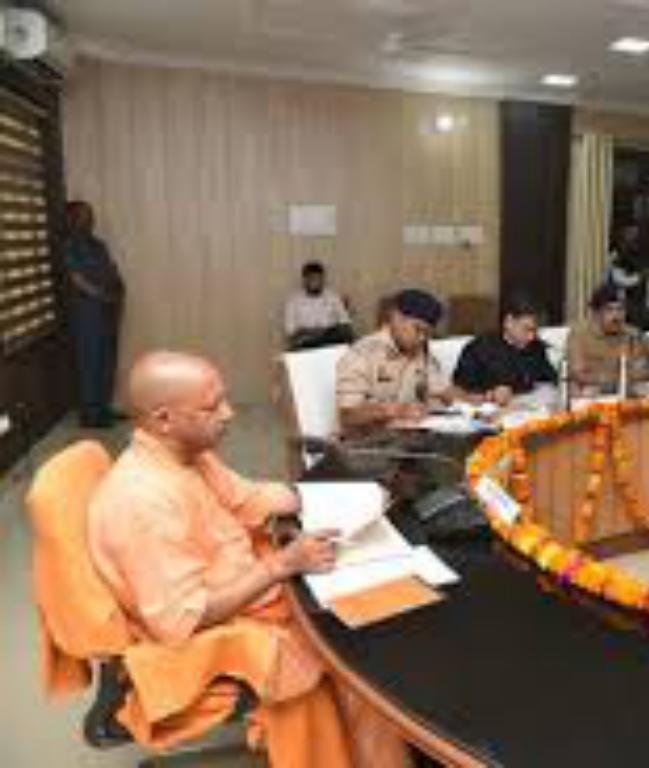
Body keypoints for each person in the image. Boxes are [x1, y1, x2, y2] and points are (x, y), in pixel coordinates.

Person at [87, 351, 410, 768]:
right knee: (360, 655)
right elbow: (181, 619)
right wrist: (281, 565)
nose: (229, 413)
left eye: (224, 399)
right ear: (164, 419)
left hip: (252, 588)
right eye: (212, 407)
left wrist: (344, 497)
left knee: (373, 617)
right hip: (215, 629)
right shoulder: (142, 502)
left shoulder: (187, 454)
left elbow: (246, 498)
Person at [336, 289, 458, 436]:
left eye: (427, 334)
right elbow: (348, 415)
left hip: (409, 439)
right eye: (418, 329)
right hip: (366, 443)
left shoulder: (421, 352)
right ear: (396, 318)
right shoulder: (362, 353)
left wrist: (472, 407)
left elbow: (444, 391)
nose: (422, 338)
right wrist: (393, 410)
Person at [64, 200, 125, 428]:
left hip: (108, 309)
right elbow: (76, 279)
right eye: (83, 216)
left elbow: (112, 268)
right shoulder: (69, 246)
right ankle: (90, 415)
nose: (89, 220)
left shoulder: (99, 245)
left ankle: (104, 408)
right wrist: (99, 295)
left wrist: (118, 289)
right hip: (86, 312)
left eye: (90, 215)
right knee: (90, 361)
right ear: (72, 219)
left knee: (107, 361)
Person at [452, 297, 557, 404]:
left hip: (527, 408)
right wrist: (490, 396)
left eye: (535, 331)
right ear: (508, 322)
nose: (531, 337)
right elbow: (455, 392)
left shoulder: (536, 348)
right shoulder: (478, 350)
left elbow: (549, 382)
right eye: (527, 329)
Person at [565, 284, 649, 393]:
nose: (616, 316)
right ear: (596, 313)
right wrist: (618, 378)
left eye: (620, 309)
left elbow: (643, 372)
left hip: (627, 391)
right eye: (609, 309)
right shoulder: (579, 335)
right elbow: (579, 374)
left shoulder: (635, 335)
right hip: (590, 391)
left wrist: (610, 379)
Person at [284, 262, 354, 351]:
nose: (315, 283)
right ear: (305, 280)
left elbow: (345, 323)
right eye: (312, 279)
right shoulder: (293, 301)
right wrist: (312, 332)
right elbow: (290, 332)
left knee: (344, 334)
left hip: (331, 341)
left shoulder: (333, 297)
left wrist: (327, 332)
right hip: (306, 342)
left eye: (318, 279)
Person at [607, 223, 647, 326]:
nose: (635, 237)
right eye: (631, 233)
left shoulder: (635, 251)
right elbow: (618, 278)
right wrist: (639, 278)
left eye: (636, 234)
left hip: (635, 298)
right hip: (622, 296)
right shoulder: (617, 254)